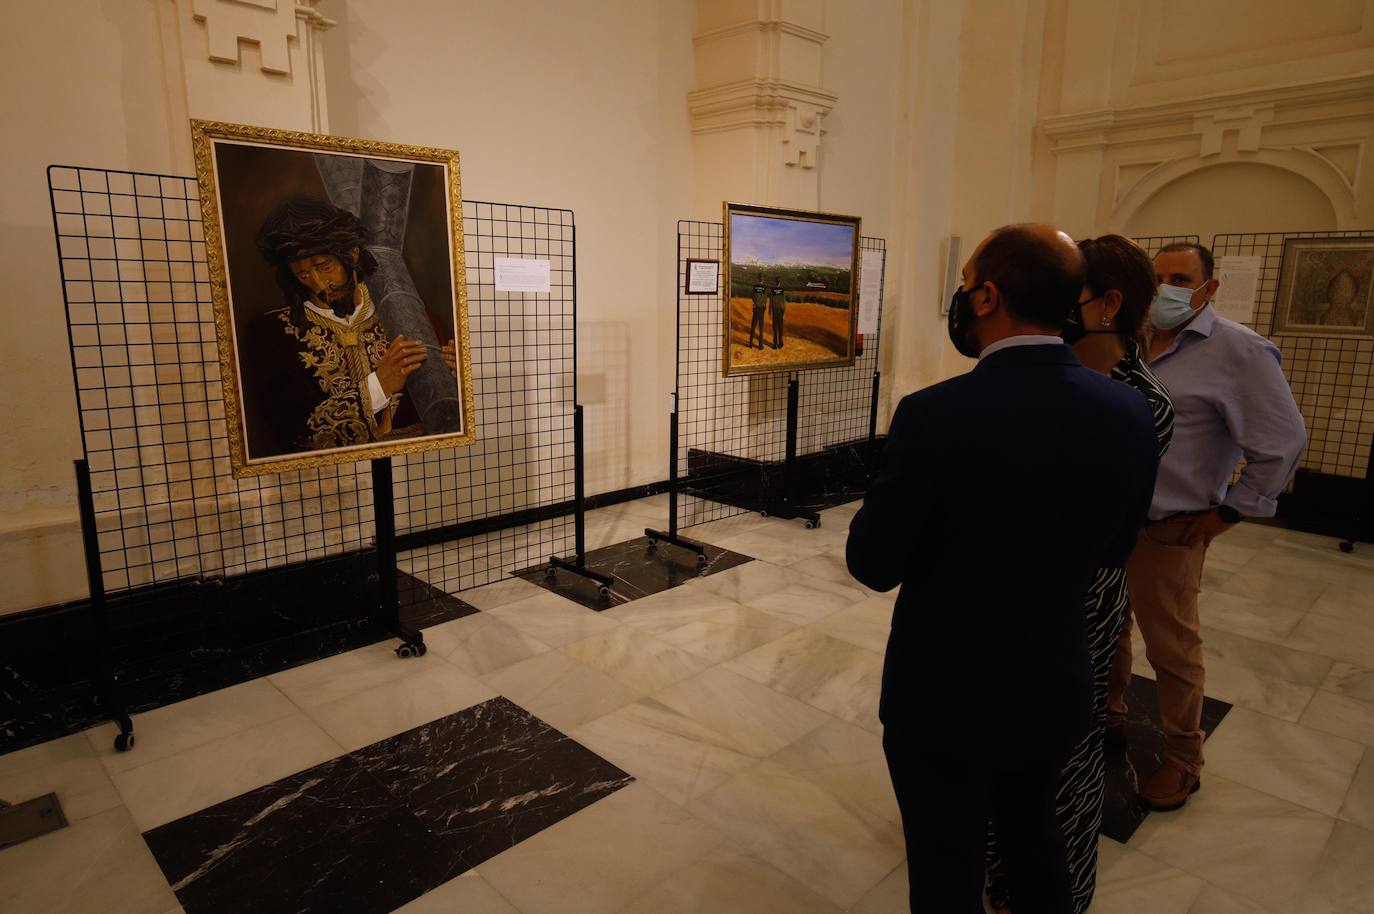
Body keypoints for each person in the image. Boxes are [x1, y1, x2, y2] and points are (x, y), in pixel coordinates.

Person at [848, 224, 1159, 914]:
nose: (962, 300)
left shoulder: (933, 415)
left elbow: (872, 563)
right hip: (1052, 679)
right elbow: (1113, 550)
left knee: (944, 863)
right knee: (1033, 840)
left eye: (964, 287)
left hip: (942, 693)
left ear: (987, 296)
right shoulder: (1129, 410)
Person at [985, 234, 1174, 914]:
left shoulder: (1138, 402)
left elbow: (1104, 529)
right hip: (1009, 592)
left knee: (1061, 749)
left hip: (1073, 598)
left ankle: (1043, 887)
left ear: (1107, 303)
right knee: (1000, 736)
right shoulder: (1052, 374)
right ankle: (997, 861)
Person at [1105, 242, 1306, 810]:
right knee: (1110, 630)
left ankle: (1183, 757)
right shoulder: (1130, 342)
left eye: (1180, 278)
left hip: (1171, 528)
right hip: (1111, 521)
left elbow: (1283, 443)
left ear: (1208, 288)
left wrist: (1230, 511)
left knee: (1172, 647)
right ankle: (1110, 715)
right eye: (1158, 277)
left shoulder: (1240, 352)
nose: (1167, 288)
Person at [248, 195, 431, 457]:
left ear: (351, 254)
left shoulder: (403, 314)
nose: (319, 284)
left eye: (324, 267)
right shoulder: (271, 335)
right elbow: (294, 434)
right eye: (303, 274)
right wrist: (379, 385)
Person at [749, 277, 769, 348]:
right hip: (761, 309)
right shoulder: (765, 287)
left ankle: (750, 343)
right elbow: (765, 298)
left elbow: (752, 296)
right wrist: (763, 303)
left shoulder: (755, 287)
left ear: (758, 280)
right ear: (762, 280)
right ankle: (760, 345)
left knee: (753, 326)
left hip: (756, 307)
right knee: (761, 327)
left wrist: (756, 302)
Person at [770, 279, 787, 349]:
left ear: (775, 282)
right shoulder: (782, 290)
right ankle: (780, 343)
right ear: (780, 282)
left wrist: (770, 312)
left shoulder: (772, 290)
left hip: (774, 310)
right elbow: (784, 302)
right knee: (780, 328)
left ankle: (775, 344)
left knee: (775, 328)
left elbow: (771, 302)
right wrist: (784, 312)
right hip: (780, 310)